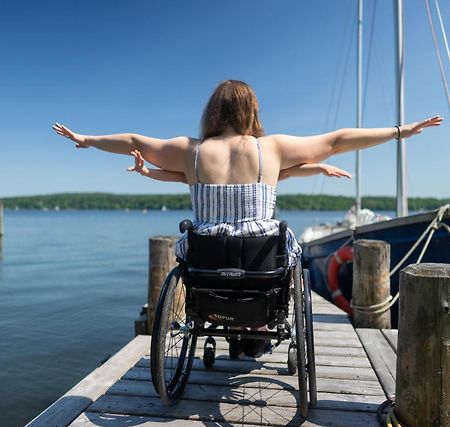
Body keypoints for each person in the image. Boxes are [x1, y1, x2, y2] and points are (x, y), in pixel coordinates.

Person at [53, 79, 442, 356]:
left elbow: (135, 141)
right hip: (260, 263)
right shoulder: (270, 148)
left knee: (195, 248)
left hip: (207, 264)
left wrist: (87, 140)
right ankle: (257, 328)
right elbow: (338, 140)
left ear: (213, 112)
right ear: (251, 110)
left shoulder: (191, 151)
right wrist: (399, 131)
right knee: (287, 252)